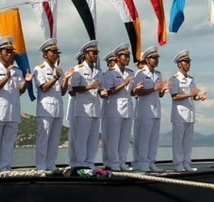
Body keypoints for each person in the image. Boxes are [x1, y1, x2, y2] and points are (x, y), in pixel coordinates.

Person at [0, 36, 32, 172]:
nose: (10, 54)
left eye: (11, 51)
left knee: (8, 142)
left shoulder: (17, 71)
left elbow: (20, 91)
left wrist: (27, 82)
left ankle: (5, 167)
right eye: (7, 51)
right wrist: (7, 77)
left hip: (13, 111)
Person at [33, 38, 72, 171]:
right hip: (46, 109)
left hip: (57, 107)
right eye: (52, 52)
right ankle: (41, 166)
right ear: (45, 54)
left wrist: (65, 78)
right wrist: (55, 77)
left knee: (54, 140)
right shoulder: (39, 68)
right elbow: (43, 87)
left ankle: (51, 164)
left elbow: (62, 91)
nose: (56, 55)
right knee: (44, 139)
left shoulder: (58, 70)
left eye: (57, 53)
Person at [131, 46, 169, 172]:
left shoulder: (158, 74)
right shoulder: (140, 74)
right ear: (147, 60)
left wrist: (162, 90)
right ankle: (142, 162)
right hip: (144, 109)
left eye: (157, 58)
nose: (156, 60)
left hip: (156, 109)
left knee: (154, 137)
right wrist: (154, 88)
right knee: (144, 137)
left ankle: (151, 161)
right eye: (153, 58)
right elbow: (137, 93)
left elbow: (160, 94)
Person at [168, 50, 207, 172]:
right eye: (185, 62)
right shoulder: (174, 79)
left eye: (189, 62)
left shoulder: (191, 79)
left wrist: (198, 97)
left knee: (188, 141)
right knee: (178, 141)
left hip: (190, 113)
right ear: (179, 64)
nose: (188, 64)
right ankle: (178, 163)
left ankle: (186, 162)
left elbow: (193, 96)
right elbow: (174, 96)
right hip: (179, 114)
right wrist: (191, 93)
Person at [67, 41, 101, 169]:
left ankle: (89, 162)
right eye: (93, 53)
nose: (95, 56)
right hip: (82, 109)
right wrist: (89, 86)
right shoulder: (78, 70)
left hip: (95, 108)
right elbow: (73, 89)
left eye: (97, 53)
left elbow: (100, 89)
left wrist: (103, 91)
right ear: (86, 54)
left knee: (93, 138)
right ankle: (80, 163)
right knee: (81, 138)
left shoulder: (98, 72)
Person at [100, 43, 134, 171]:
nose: (127, 58)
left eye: (128, 56)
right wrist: (123, 84)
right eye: (124, 56)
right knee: (113, 138)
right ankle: (114, 162)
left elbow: (131, 92)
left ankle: (122, 161)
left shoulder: (130, 72)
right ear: (118, 58)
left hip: (128, 109)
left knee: (125, 138)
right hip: (114, 109)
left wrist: (136, 88)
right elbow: (108, 91)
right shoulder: (110, 73)